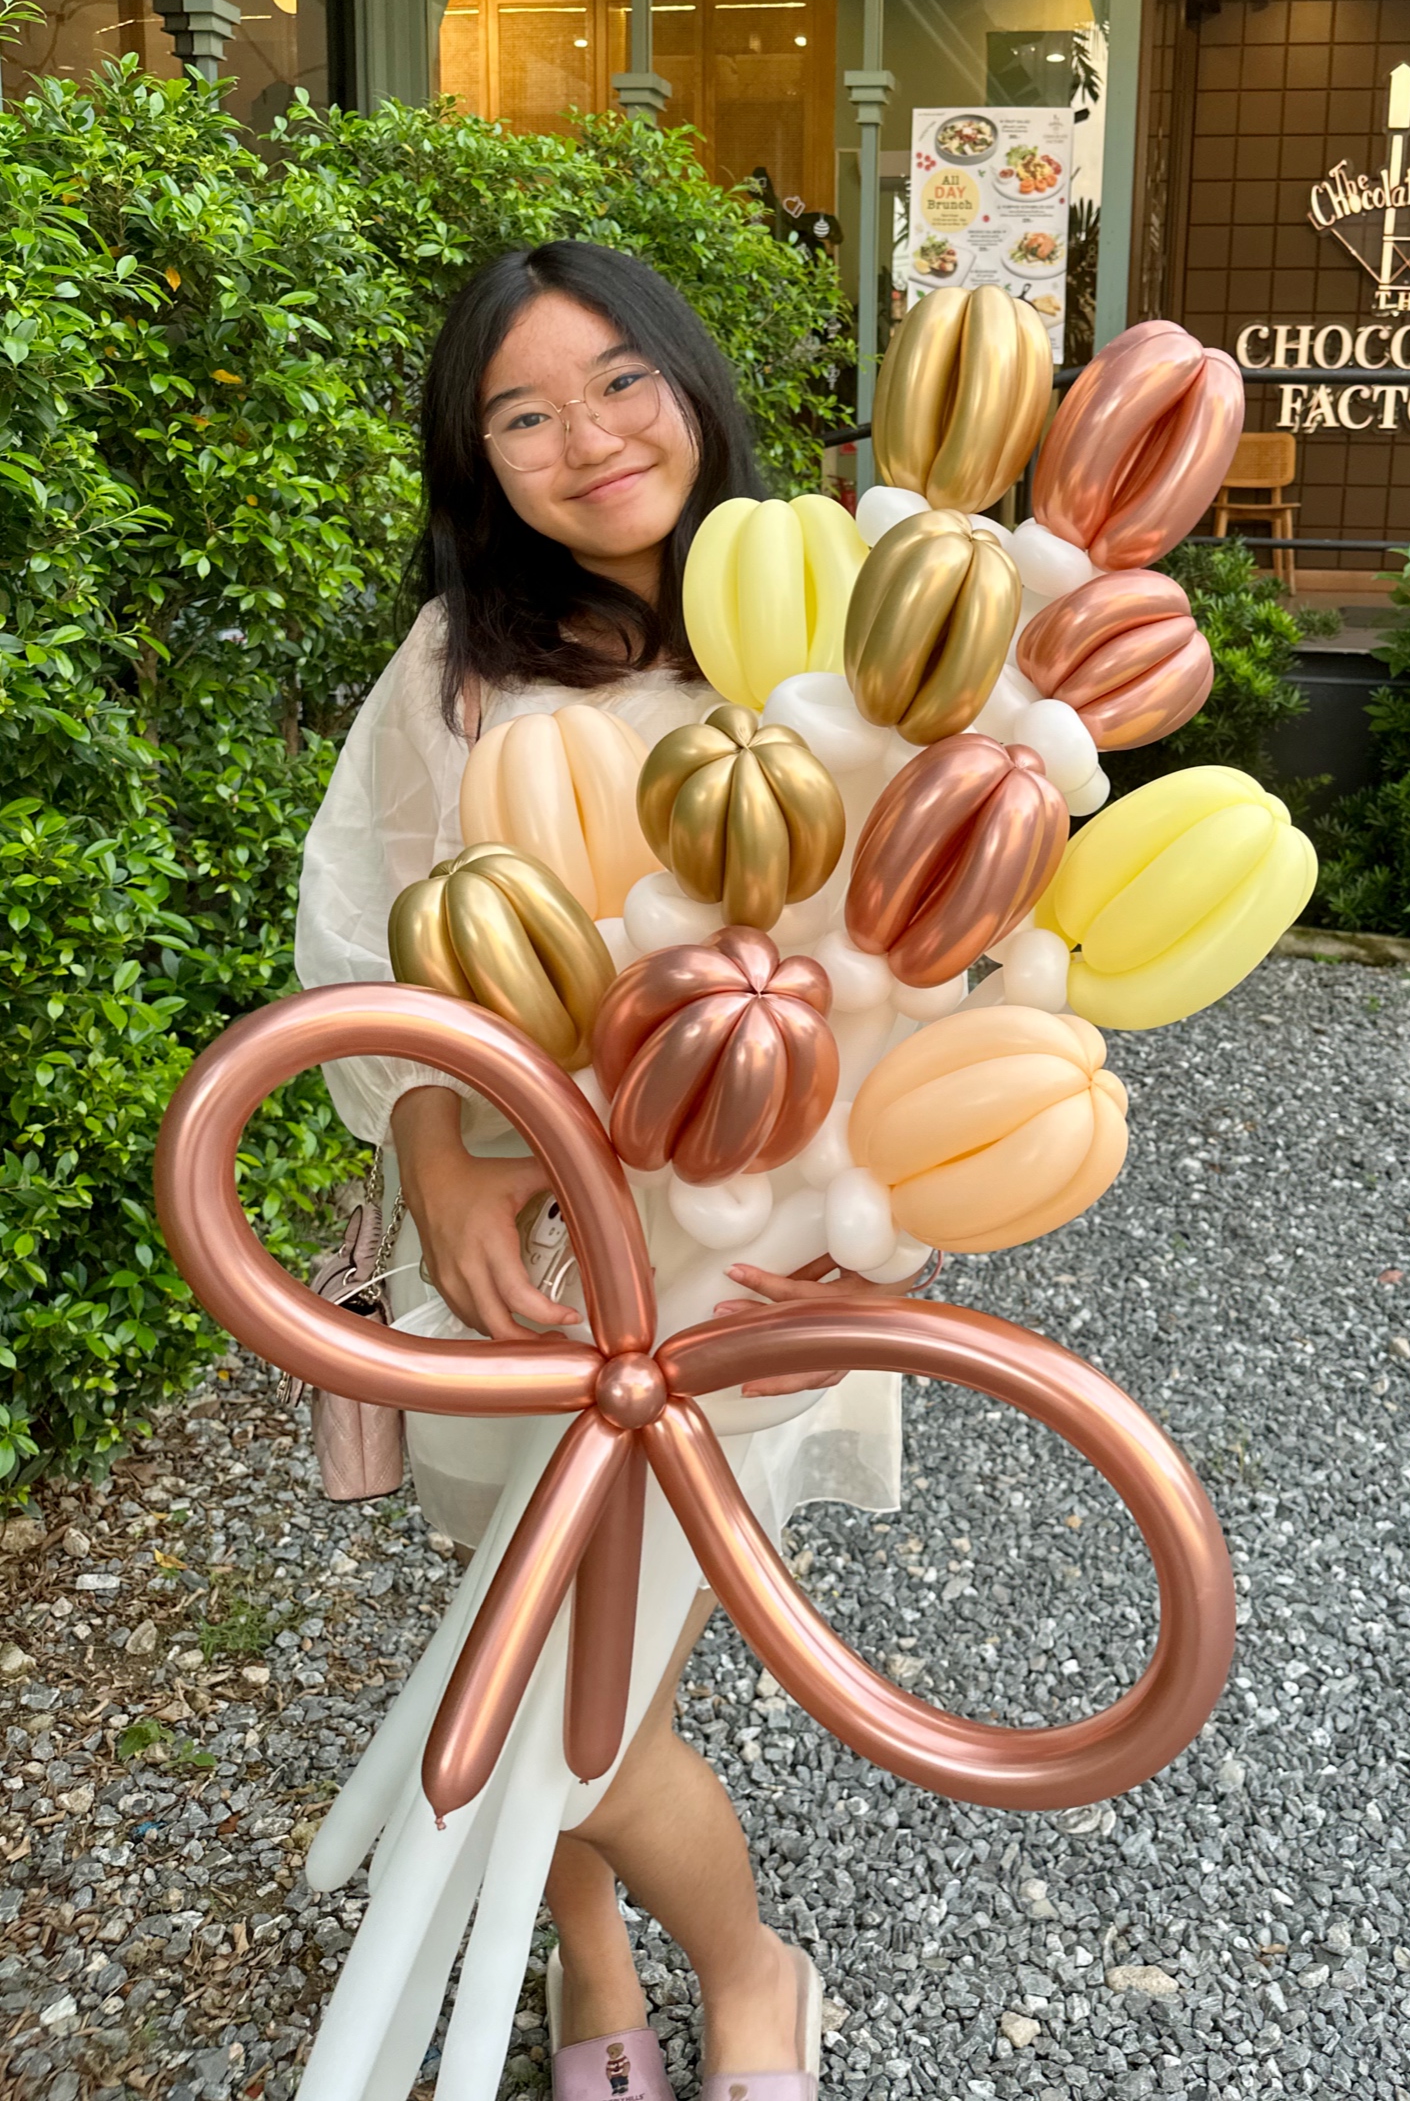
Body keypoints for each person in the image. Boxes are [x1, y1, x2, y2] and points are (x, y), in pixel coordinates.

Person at [293, 242, 895, 2101]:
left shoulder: (844, 636)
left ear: (692, 382)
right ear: (477, 462)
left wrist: (882, 1235)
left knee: (583, 1705)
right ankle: (592, 1959)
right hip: (515, 1246)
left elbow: (924, 975)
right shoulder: (460, 667)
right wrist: (432, 1149)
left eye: (622, 380)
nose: (590, 439)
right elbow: (367, 937)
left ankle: (753, 1973)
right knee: (523, 1617)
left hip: (738, 1258)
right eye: (523, 416)